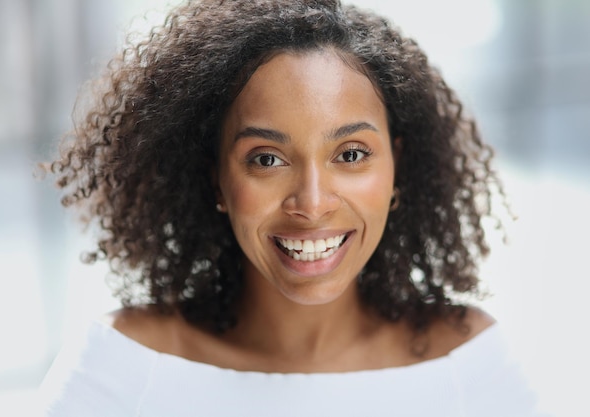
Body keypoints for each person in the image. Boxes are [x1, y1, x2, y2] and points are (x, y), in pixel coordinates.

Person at [38, 0, 547, 416]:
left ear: (398, 169)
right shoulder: (122, 368)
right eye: (266, 158)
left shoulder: (468, 365)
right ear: (216, 177)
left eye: (350, 155)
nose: (312, 202)